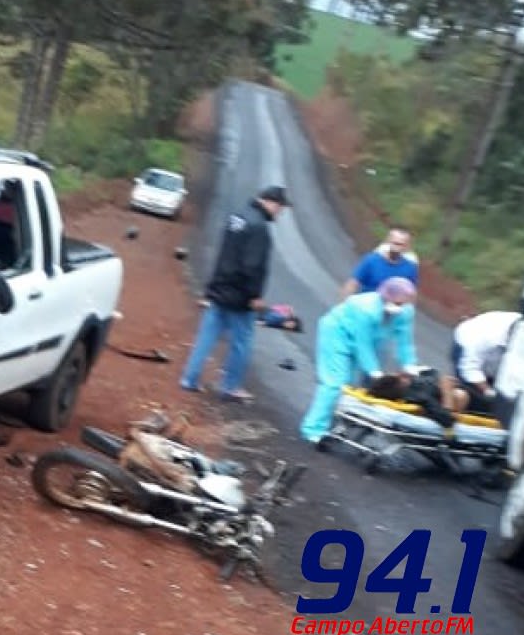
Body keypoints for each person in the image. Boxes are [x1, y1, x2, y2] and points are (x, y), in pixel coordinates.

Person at [179, 185, 291, 403]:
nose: (280, 212)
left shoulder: (237, 218)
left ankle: (189, 378)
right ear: (270, 203)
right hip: (240, 297)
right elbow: (252, 266)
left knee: (206, 336)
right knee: (242, 342)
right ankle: (230, 386)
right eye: (280, 207)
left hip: (220, 288)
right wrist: (255, 295)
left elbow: (223, 254)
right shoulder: (259, 228)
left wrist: (211, 288)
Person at [300, 276, 420, 444]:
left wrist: (410, 366)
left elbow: (405, 341)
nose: (400, 307)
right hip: (337, 334)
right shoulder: (364, 308)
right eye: (397, 303)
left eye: (403, 303)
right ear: (386, 296)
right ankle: (313, 429)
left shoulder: (405, 311)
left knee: (351, 384)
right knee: (335, 383)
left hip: (369, 339)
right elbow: (362, 344)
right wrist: (375, 372)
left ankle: (333, 423)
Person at [448, 310, 522, 415]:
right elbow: (469, 368)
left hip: (496, 361)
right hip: (465, 353)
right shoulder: (486, 337)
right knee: (469, 397)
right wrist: (488, 391)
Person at [339, 225, 419, 301]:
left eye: (400, 244)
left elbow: (411, 295)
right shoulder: (372, 261)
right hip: (365, 307)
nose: (396, 247)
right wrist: (344, 305)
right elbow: (353, 284)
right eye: (394, 243)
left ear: (407, 247)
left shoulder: (410, 269)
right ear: (387, 241)